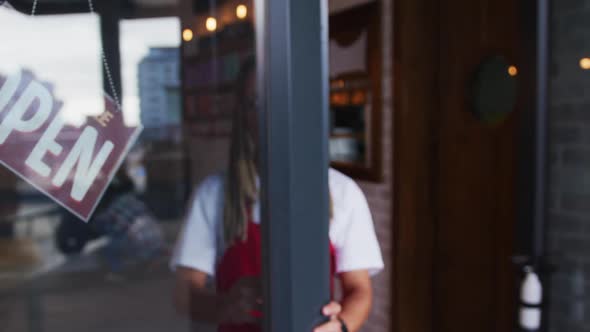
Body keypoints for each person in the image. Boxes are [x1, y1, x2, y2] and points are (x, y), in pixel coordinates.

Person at [171, 58, 383, 332]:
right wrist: (225, 305)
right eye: (256, 103)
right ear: (243, 116)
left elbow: (360, 291)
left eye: (281, 100)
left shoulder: (342, 192)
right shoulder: (214, 195)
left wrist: (341, 325)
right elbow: (183, 295)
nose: (270, 114)